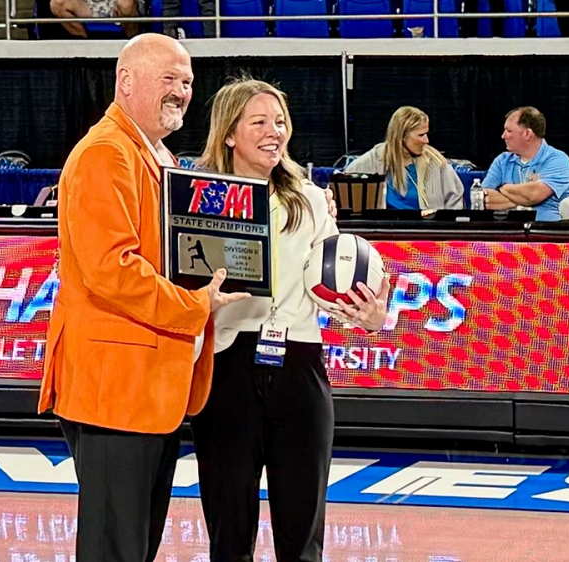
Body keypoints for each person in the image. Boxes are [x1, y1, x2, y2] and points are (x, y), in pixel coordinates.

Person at [37, 33, 250, 561]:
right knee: (115, 548)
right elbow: (111, 270)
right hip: (115, 387)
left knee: (135, 544)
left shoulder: (156, 154)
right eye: (168, 78)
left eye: (187, 81)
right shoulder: (106, 154)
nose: (181, 91)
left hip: (148, 387)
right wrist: (195, 305)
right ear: (126, 81)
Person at [193, 78, 390, 561]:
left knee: (302, 535)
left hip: (299, 365)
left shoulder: (311, 199)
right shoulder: (198, 198)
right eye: (259, 122)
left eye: (280, 121)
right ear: (229, 134)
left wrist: (370, 315)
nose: (274, 132)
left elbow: (339, 284)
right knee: (229, 531)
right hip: (227, 367)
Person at [345, 106, 464, 211]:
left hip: (426, 228)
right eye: (421, 135)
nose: (426, 140)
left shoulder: (436, 163)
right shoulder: (374, 160)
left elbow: (455, 202)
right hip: (385, 227)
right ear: (402, 136)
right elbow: (345, 184)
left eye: (426, 134)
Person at [482, 106, 569, 221]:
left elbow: (534, 194)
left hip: (545, 228)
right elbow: (484, 199)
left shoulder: (558, 160)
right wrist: (524, 201)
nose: (503, 136)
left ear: (527, 134)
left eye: (509, 131)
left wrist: (502, 187)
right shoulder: (502, 161)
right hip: (508, 229)